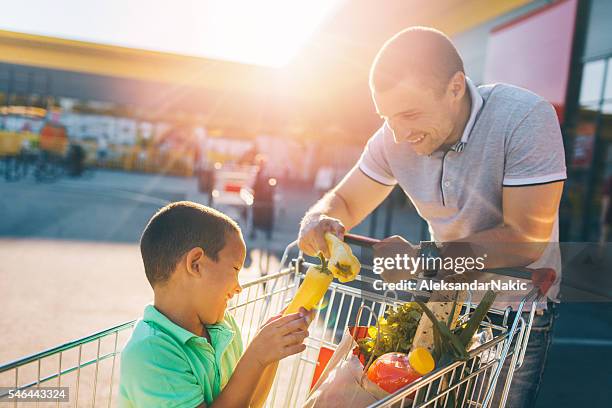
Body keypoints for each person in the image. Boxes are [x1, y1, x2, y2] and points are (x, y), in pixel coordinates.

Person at [298, 27, 565, 407]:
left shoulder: (525, 118)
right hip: (441, 300)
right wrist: (319, 219)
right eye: (387, 116)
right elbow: (344, 200)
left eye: (409, 113)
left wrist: (422, 259)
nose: (399, 133)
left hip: (512, 313)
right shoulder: (393, 137)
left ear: (456, 87)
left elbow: (525, 238)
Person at [119, 201, 311, 407]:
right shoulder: (150, 353)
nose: (239, 287)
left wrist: (271, 352)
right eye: (235, 268)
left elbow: (249, 404)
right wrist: (256, 357)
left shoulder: (223, 327)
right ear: (196, 264)